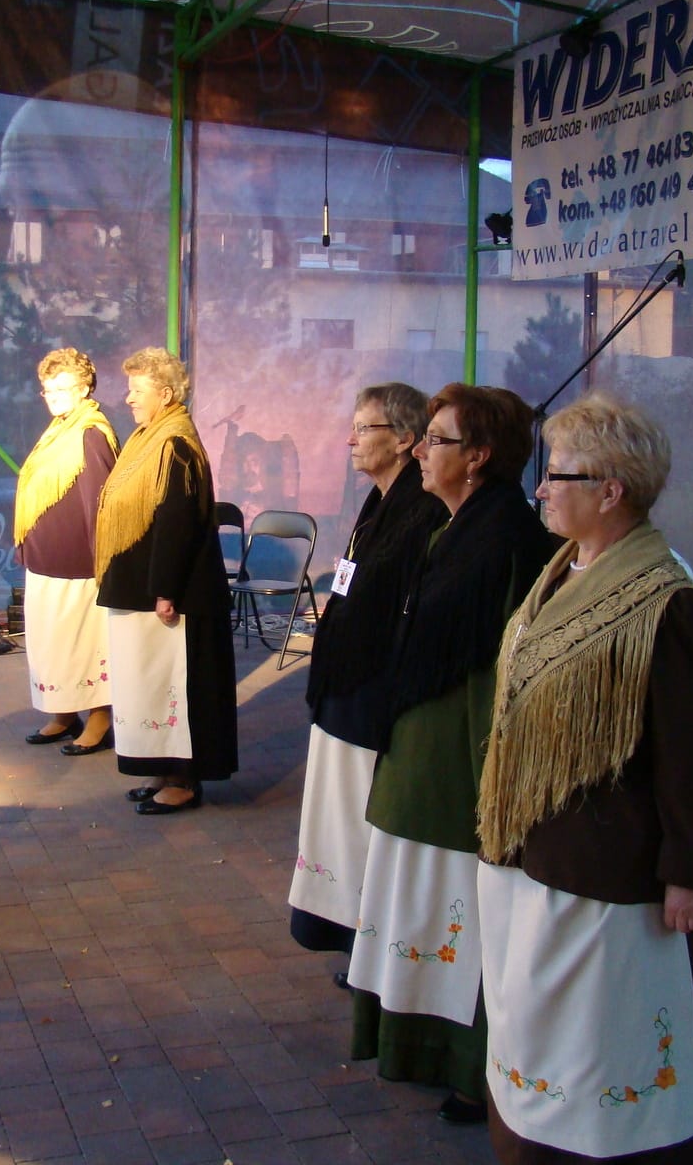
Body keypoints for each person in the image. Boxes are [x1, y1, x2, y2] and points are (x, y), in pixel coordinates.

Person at [475, 392, 693, 1164]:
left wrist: (688, 871)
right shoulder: (561, 571)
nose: (541, 489)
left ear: (611, 491)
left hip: (606, 864)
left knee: (602, 1039)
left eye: (558, 474)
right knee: (538, 1032)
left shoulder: (671, 606)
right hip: (536, 846)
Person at [346, 384, 558, 1124]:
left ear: (478, 457)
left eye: (436, 440)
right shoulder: (455, 527)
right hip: (421, 759)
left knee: (461, 922)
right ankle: (422, 1050)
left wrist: (488, 787)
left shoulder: (504, 539)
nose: (420, 452)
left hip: (456, 776)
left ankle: (469, 1068)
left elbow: (500, 682)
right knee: (422, 914)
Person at [289, 383, 445, 964]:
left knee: (359, 818)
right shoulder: (379, 501)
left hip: (370, 691)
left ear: (404, 439)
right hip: (343, 684)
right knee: (335, 814)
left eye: (364, 428)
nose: (350, 441)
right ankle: (335, 924)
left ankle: (363, 936)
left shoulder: (422, 509)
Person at [94, 347, 238, 813]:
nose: (129, 398)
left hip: (172, 595)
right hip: (141, 589)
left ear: (167, 394)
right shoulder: (148, 439)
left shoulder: (174, 444)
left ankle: (183, 779)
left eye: (138, 389)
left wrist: (165, 590)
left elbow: (177, 521)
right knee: (149, 686)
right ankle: (161, 767)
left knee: (174, 684)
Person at [13, 347, 120, 753]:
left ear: (85, 388)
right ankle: (63, 713)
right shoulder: (58, 431)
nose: (54, 396)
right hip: (47, 563)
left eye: (63, 388)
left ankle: (99, 719)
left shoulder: (90, 434)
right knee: (53, 647)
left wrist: (104, 563)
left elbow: (100, 507)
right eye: (48, 389)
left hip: (79, 567)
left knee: (86, 647)